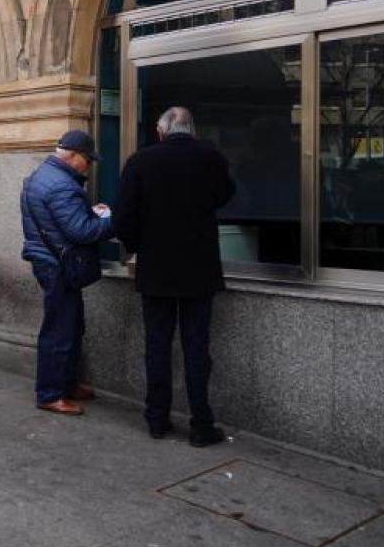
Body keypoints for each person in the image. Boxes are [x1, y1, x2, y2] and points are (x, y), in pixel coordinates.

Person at [113, 107, 236, 446]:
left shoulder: (141, 161)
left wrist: (139, 246)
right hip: (199, 269)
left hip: (157, 270)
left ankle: (157, 419)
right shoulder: (210, 157)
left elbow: (123, 215)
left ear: (161, 130)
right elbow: (225, 195)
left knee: (157, 345)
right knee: (197, 347)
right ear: (191, 130)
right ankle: (201, 425)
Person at [20, 130, 113, 415]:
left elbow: (63, 221)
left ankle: (67, 384)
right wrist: (112, 220)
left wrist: (89, 211)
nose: (89, 166)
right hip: (58, 264)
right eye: (88, 160)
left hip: (51, 261)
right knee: (60, 330)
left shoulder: (42, 175)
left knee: (71, 325)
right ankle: (50, 393)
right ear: (73, 155)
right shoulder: (62, 185)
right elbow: (81, 231)